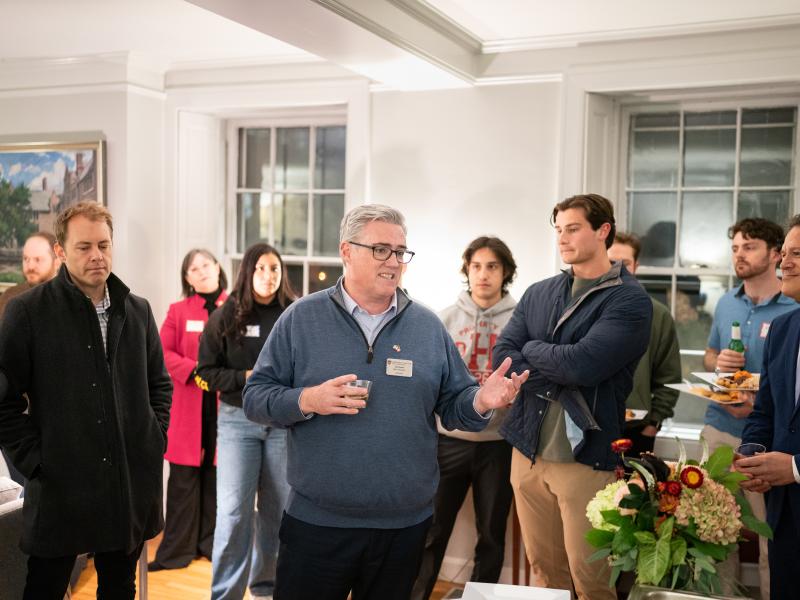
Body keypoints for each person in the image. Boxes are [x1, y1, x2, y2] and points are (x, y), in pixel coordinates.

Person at [241, 204, 527, 600]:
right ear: (346, 251)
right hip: (318, 524)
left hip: (403, 528)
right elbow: (255, 397)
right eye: (381, 250)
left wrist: (481, 400)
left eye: (400, 251)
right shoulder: (301, 319)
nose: (394, 261)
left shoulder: (427, 327)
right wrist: (309, 399)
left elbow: (456, 406)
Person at [0, 201, 172, 600]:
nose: (97, 255)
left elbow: (159, 385)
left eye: (104, 244)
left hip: (126, 481)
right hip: (61, 483)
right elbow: (3, 401)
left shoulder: (137, 311)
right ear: (61, 251)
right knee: (44, 587)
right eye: (83, 247)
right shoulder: (28, 312)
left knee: (118, 588)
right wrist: (35, 460)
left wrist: (153, 438)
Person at [493, 194, 652, 600]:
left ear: (603, 231)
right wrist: (549, 359)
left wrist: (532, 350)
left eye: (574, 228)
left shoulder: (629, 299)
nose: (562, 238)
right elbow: (503, 355)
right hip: (527, 450)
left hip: (587, 455)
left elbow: (583, 365)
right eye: (559, 229)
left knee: (592, 579)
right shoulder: (539, 292)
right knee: (546, 574)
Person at [412, 236, 518, 600]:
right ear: (466, 271)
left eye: (492, 267)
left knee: (491, 534)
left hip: (499, 443)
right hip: (449, 439)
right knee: (433, 529)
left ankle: (480, 597)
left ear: (505, 273)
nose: (483, 274)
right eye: (476, 266)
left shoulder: (521, 322)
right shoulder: (443, 319)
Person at [701, 218, 796, 598]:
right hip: (720, 429)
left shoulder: (792, 306)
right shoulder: (726, 301)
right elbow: (709, 355)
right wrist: (718, 362)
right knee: (714, 530)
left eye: (749, 246)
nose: (740, 254)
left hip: (775, 444)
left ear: (774, 254)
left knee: (771, 537)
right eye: (735, 248)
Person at [196, 242, 295, 600]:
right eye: (261, 269)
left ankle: (266, 588)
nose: (268, 277)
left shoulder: (294, 314)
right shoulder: (226, 315)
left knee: (277, 513)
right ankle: (225, 593)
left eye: (275, 269)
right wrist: (246, 377)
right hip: (238, 422)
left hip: (282, 424)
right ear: (247, 272)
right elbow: (204, 373)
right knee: (235, 513)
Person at [148, 249, 228, 572]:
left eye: (205, 265)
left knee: (217, 479)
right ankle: (178, 550)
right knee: (183, 482)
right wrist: (196, 372)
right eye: (193, 269)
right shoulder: (178, 311)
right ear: (187, 278)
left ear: (217, 268)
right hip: (188, 410)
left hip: (226, 409)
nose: (200, 271)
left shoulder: (237, 309)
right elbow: (161, 352)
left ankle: (211, 546)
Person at [737, 214, 800, 600]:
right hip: (784, 515)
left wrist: (794, 467)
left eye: (798, 253)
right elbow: (765, 413)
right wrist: (751, 459)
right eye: (786, 253)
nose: (785, 262)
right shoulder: (783, 330)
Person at [608, 231, 681, 456]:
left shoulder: (658, 315)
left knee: (632, 491)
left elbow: (669, 378)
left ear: (636, 266)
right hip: (588, 426)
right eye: (611, 262)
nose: (618, 269)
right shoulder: (582, 310)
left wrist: (653, 425)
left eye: (625, 263)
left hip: (637, 431)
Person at [0, 231, 61, 320]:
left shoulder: (71, 300)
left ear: (57, 262)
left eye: (38, 260)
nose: (30, 266)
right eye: (26, 259)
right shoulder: (10, 296)